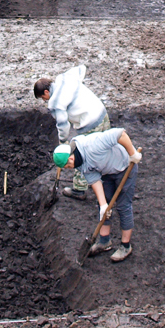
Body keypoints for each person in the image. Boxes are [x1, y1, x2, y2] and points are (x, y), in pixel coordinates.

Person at [52, 128, 142, 262]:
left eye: (67, 167)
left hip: (125, 166)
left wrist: (132, 154)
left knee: (123, 207)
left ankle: (125, 246)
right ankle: (104, 242)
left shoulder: (93, 145)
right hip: (106, 172)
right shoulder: (78, 162)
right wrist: (103, 205)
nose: (69, 169)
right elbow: (94, 179)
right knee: (103, 204)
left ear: (70, 159)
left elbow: (120, 134)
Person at [34, 65, 111, 200]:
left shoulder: (55, 102)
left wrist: (63, 143)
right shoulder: (64, 78)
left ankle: (79, 190)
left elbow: (63, 124)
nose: (44, 101)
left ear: (46, 92)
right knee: (105, 145)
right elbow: (81, 68)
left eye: (43, 98)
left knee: (81, 155)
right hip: (101, 112)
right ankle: (110, 175)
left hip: (89, 123)